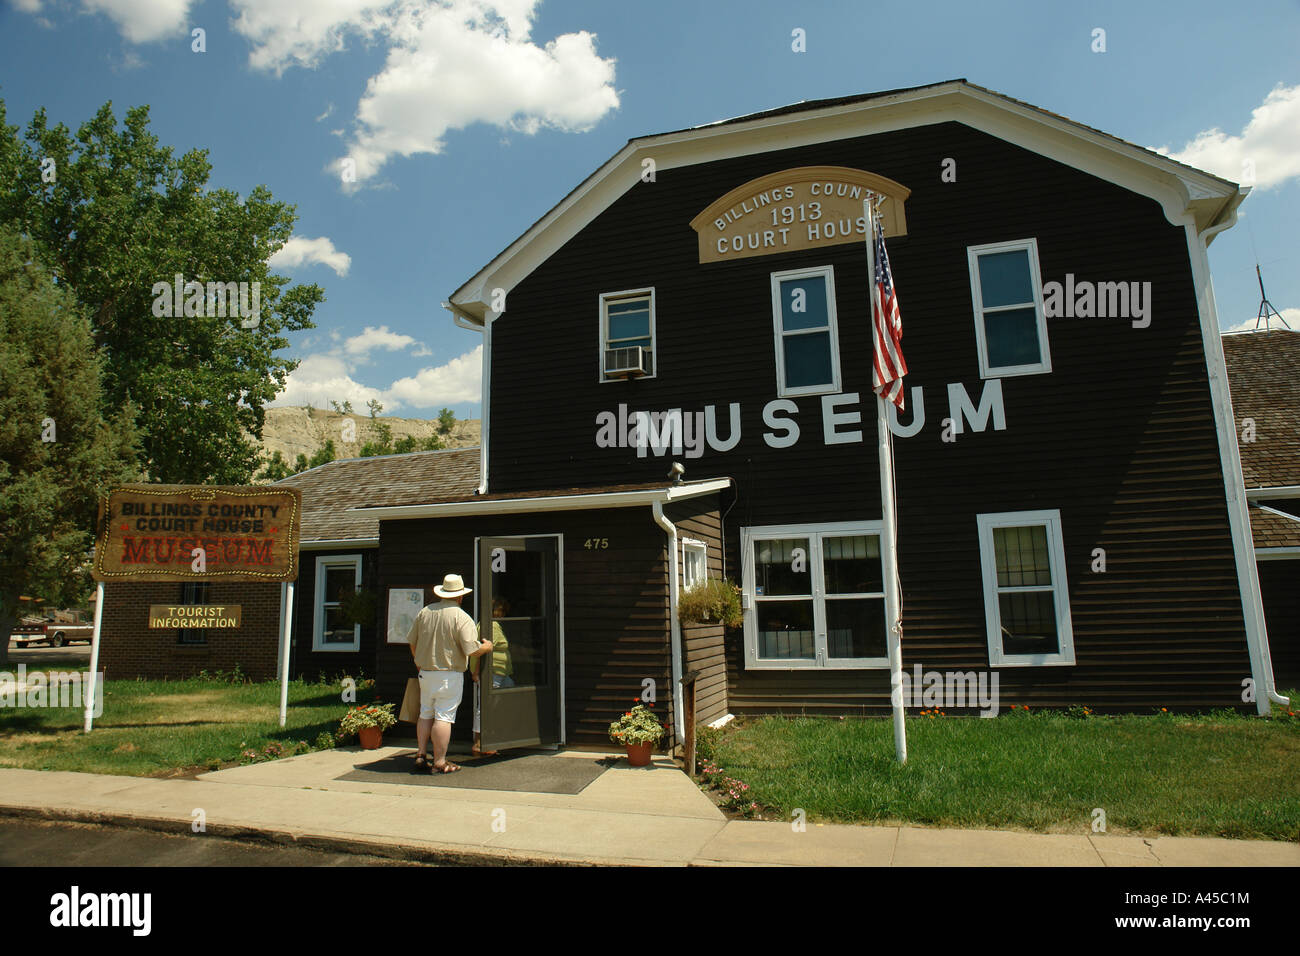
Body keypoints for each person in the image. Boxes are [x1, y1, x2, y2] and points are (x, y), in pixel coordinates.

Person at [405, 573, 493, 773]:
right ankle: (440, 761)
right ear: (460, 596)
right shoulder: (462, 617)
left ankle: (421, 754)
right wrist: (487, 647)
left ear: (442, 593)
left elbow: (412, 641)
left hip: (425, 672)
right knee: (444, 717)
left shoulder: (425, 612)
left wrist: (418, 662)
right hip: (448, 675)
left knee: (425, 713)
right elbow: (472, 650)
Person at [470, 597, 516, 756]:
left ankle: (494, 737)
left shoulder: (494, 625)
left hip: (501, 672)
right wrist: (477, 672)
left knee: (507, 697)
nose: (502, 614)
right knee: (486, 705)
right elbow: (482, 650)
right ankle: (479, 742)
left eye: (503, 611)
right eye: (500, 610)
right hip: (492, 672)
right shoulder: (491, 626)